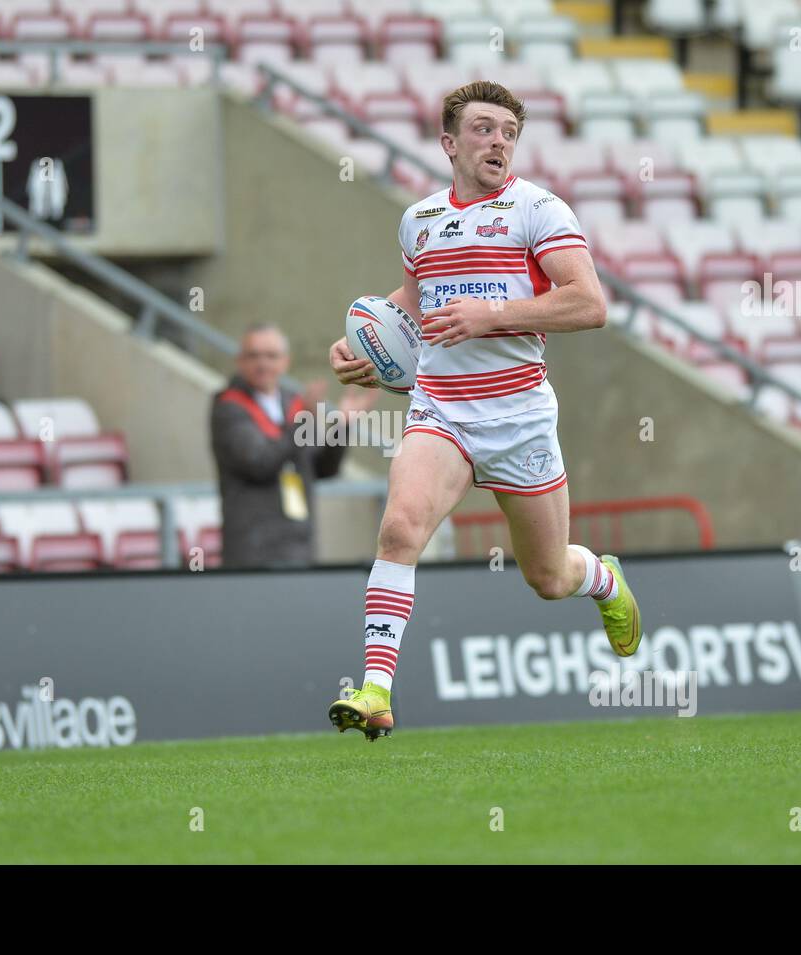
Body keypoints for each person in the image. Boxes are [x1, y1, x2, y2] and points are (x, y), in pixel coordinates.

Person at [325, 81, 643, 741]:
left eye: (507, 131)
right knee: (400, 530)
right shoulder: (419, 221)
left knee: (548, 576)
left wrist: (491, 315)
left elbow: (589, 303)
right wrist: (368, 346)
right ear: (449, 143)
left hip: (520, 418)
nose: (497, 140)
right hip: (440, 411)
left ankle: (604, 579)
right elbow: (417, 300)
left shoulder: (539, 210)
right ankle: (377, 690)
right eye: (483, 128)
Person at [211, 323, 376, 569]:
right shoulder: (228, 407)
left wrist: (343, 424)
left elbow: (323, 469)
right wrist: (300, 419)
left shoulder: (292, 403)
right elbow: (259, 463)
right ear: (240, 360)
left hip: (298, 544)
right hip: (251, 549)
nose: (262, 363)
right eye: (253, 355)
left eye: (271, 356)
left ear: (285, 362)